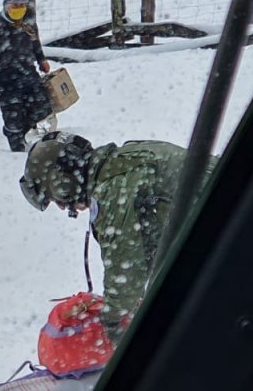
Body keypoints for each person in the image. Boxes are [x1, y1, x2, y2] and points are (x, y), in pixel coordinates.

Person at [19, 131, 217, 344]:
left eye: (55, 197)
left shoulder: (113, 188)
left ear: (63, 182)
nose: (61, 206)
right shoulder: (124, 159)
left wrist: (113, 326)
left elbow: (126, 268)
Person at [0, 0, 56, 152]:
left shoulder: (28, 21)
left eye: (21, 5)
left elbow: (35, 41)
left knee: (42, 108)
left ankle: (28, 132)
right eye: (14, 5)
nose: (18, 9)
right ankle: (16, 150)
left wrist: (41, 59)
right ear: (5, 6)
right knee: (14, 117)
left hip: (28, 72)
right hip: (5, 80)